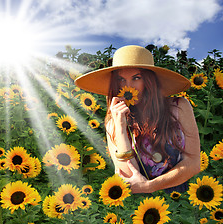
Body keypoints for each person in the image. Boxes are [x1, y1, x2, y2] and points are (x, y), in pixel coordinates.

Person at [75, 45, 200, 194]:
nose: (128, 87)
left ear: (149, 81)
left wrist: (150, 186)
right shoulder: (112, 121)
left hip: (180, 200)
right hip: (139, 206)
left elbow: (193, 163)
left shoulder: (178, 108)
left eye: (136, 78)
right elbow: (127, 174)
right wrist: (120, 127)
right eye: (121, 80)